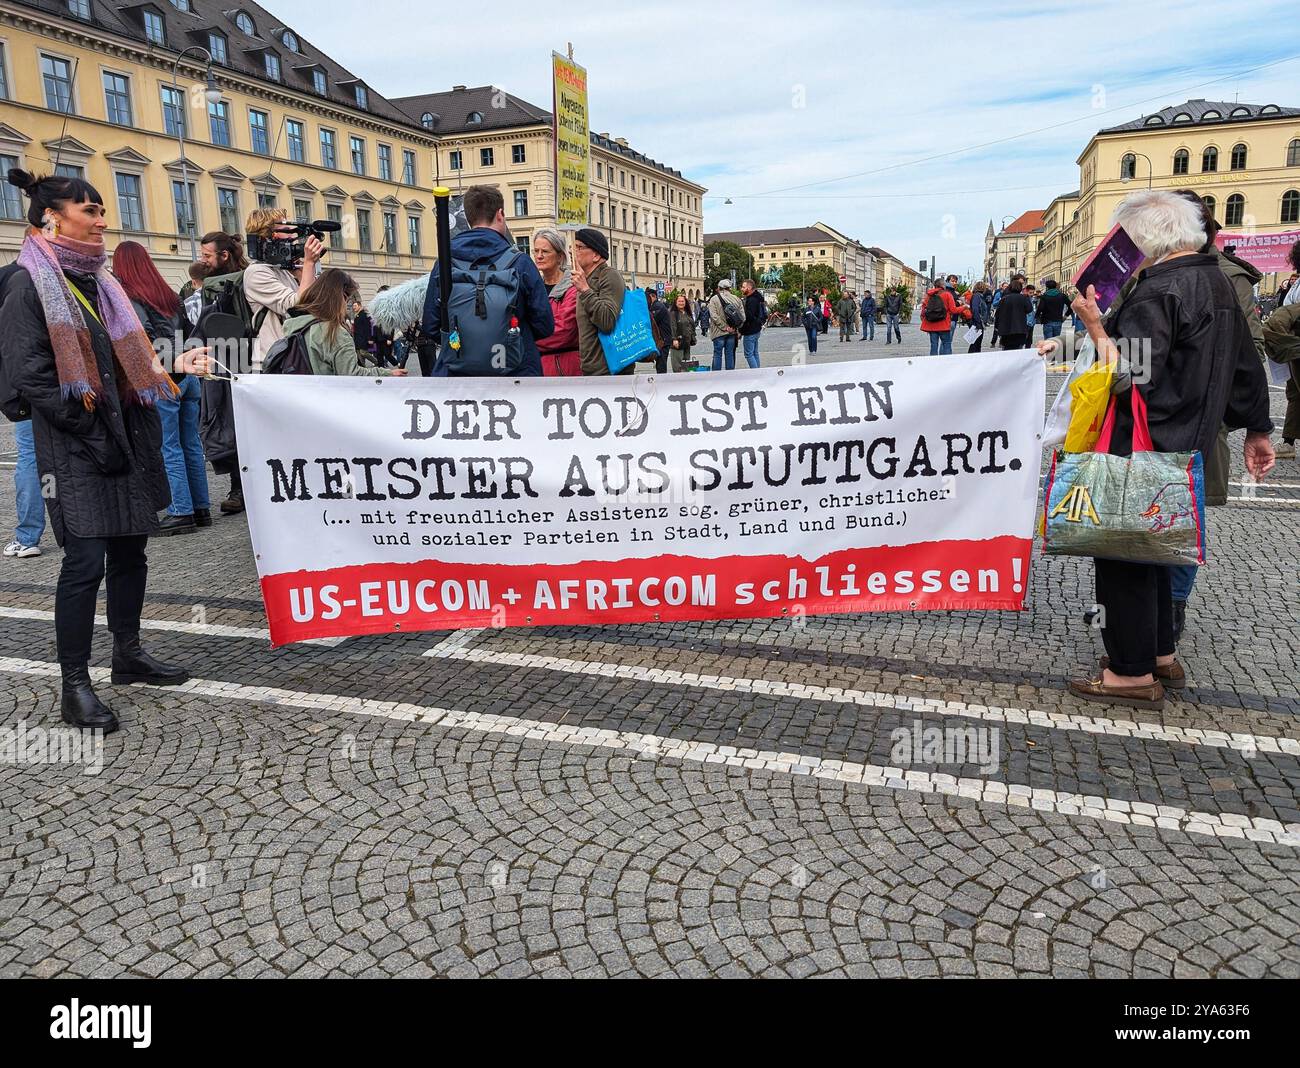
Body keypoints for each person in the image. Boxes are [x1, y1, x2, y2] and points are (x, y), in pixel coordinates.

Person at [0, 168, 208, 732]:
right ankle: (74, 684)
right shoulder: (27, 283)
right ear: (51, 217)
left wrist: (169, 367)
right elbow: (32, 378)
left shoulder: (98, 281)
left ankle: (128, 654)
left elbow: (119, 364)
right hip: (76, 449)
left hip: (125, 442)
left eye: (101, 210)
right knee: (84, 562)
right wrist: (92, 435)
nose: (102, 220)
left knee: (130, 555)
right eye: (89, 210)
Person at [1063, 189, 1273, 710]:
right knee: (1159, 549)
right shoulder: (1218, 282)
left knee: (1127, 555)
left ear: (1146, 239)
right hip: (1192, 445)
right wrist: (1258, 430)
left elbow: (1128, 376)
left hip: (1145, 444)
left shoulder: (1159, 290)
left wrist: (1093, 324)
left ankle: (1129, 675)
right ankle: (1159, 654)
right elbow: (1247, 364)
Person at [112, 240, 211, 538]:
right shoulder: (168, 294)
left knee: (167, 446)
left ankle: (181, 510)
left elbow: (143, 339)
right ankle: (201, 507)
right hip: (188, 373)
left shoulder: (131, 296)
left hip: (163, 374)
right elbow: (190, 331)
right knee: (190, 444)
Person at [421, 186, 553, 377]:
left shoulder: (445, 263)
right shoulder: (520, 262)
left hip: (457, 376)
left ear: (468, 217)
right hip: (515, 375)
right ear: (500, 214)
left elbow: (431, 326)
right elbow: (545, 325)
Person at [284, 270, 406, 377]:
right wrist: (387, 373)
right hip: (326, 397)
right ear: (340, 297)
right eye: (347, 299)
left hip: (299, 396)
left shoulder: (293, 324)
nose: (347, 306)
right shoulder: (334, 332)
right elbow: (351, 375)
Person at [570, 226, 627, 376]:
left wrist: (585, 290)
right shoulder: (585, 279)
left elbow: (607, 321)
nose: (572, 251)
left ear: (595, 255)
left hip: (609, 372)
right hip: (591, 370)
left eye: (579, 247)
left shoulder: (609, 275)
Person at [532, 227, 581, 376]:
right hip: (538, 368)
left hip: (565, 369)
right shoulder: (532, 287)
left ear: (560, 256)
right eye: (536, 251)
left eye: (545, 251)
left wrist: (527, 341)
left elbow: (563, 331)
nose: (539, 256)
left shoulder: (573, 286)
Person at [708, 278, 744, 370]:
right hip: (732, 332)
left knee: (717, 354)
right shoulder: (737, 299)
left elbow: (714, 316)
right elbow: (742, 318)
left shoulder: (714, 299)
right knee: (729, 354)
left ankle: (717, 376)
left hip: (718, 332)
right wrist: (735, 328)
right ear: (729, 288)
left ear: (718, 288)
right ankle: (730, 376)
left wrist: (725, 327)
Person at [920, 278, 959, 355]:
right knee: (946, 344)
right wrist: (964, 307)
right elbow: (953, 310)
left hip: (932, 325)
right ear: (943, 285)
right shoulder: (947, 294)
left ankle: (933, 364)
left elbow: (923, 311)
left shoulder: (929, 296)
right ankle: (947, 362)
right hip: (944, 325)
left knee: (933, 345)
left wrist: (924, 321)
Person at [993, 278, 1032, 350]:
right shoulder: (1024, 298)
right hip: (1020, 329)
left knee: (1007, 351)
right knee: (1018, 350)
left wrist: (997, 327)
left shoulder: (1004, 299)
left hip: (1006, 329)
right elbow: (1029, 310)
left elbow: (998, 314)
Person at [645, 287, 672, 374]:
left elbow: (650, 321)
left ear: (652, 297)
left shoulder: (657, 306)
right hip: (663, 340)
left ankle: (662, 384)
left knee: (661, 365)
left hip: (663, 341)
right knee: (660, 364)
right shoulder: (656, 306)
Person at [739, 279, 764, 368]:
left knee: (749, 354)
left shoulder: (751, 300)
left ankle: (755, 373)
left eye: (743, 287)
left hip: (750, 330)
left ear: (749, 288)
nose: (741, 289)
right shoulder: (758, 297)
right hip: (757, 329)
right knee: (754, 352)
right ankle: (758, 372)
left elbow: (748, 317)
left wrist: (741, 331)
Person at [668, 293, 696, 372]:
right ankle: (678, 382)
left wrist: (693, 337)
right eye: (679, 301)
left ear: (685, 302)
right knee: (678, 366)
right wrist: (674, 339)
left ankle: (686, 382)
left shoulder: (687, 313)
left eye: (682, 301)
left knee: (686, 365)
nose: (681, 303)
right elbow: (672, 326)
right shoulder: (673, 313)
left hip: (687, 342)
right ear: (676, 303)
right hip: (678, 342)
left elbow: (691, 326)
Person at [967, 281, 989, 352]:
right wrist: (978, 322)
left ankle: (974, 358)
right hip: (977, 323)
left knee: (976, 343)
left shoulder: (979, 296)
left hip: (978, 322)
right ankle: (973, 359)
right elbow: (975, 309)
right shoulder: (977, 296)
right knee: (975, 343)